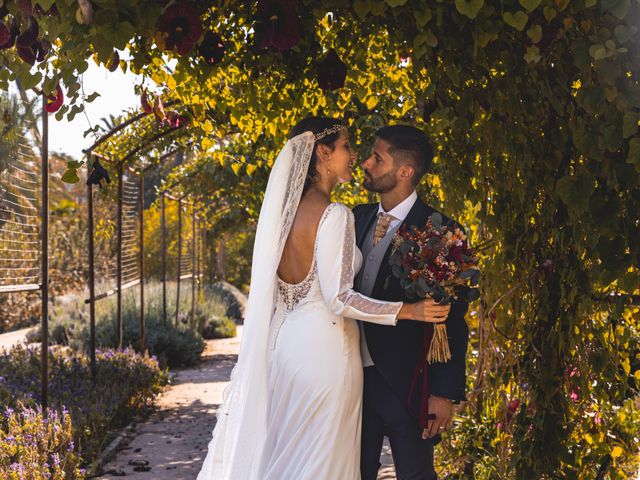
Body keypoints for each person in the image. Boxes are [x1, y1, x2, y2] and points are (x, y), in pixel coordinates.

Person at [196, 117, 451, 480]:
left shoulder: (283, 216)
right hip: (325, 353)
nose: (355, 156)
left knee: (290, 454)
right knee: (320, 461)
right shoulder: (335, 214)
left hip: (285, 348)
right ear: (323, 152)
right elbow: (340, 299)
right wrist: (409, 310)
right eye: (347, 146)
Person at [354, 125, 470, 480]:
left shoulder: (442, 230)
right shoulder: (353, 219)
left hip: (408, 385)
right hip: (351, 382)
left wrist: (443, 393)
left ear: (405, 171)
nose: (365, 163)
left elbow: (452, 319)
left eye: (377, 158)